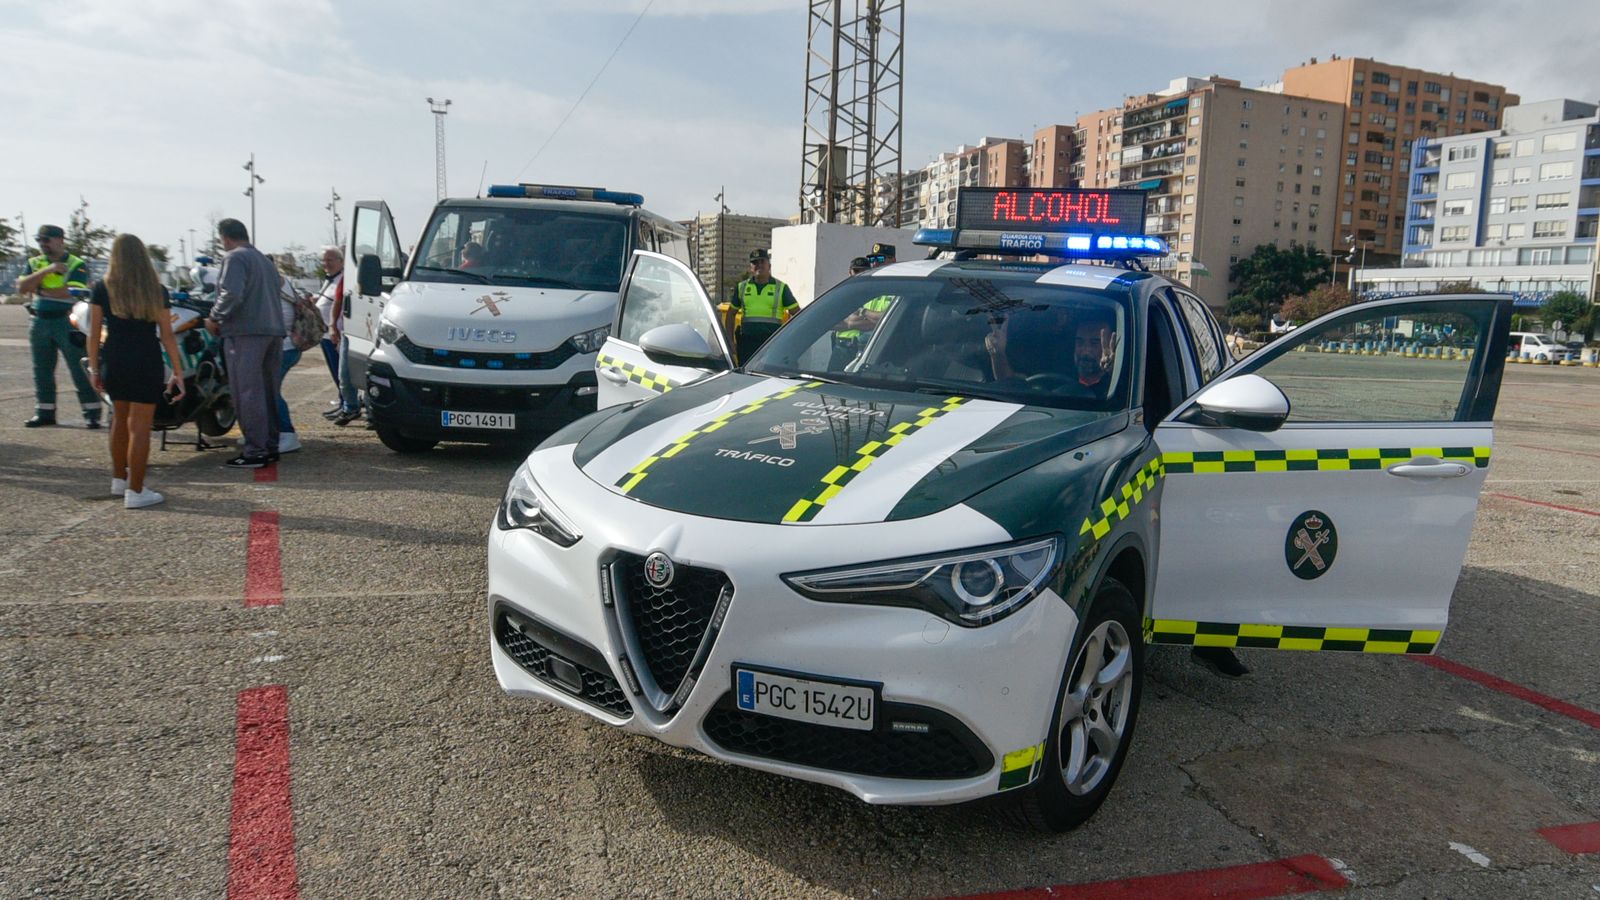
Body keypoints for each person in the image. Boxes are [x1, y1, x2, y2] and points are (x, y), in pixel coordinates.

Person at [85, 234, 186, 508]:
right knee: (140, 427)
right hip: (145, 359)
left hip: (114, 358)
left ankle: (119, 479)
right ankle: (136, 490)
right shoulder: (156, 290)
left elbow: (93, 333)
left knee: (119, 419)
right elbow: (167, 335)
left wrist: (94, 368)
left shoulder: (102, 288)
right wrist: (178, 371)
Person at [205, 218, 286, 468]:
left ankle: (255, 450)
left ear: (225, 237)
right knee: (268, 392)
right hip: (273, 331)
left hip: (245, 333)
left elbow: (232, 293)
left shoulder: (235, 258)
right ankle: (270, 445)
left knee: (247, 392)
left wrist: (214, 317)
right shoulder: (265, 261)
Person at [17, 224, 102, 428]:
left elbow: (70, 291)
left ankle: (91, 412)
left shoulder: (76, 263)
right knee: (41, 369)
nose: (43, 244)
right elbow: (22, 287)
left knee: (79, 367)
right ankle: (44, 412)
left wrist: (39, 290)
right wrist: (48, 270)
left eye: (47, 240)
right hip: (39, 321)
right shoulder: (35, 262)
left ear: (60, 240)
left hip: (66, 321)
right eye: (40, 240)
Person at [726, 248, 798, 361]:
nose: (759, 265)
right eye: (755, 262)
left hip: (771, 343)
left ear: (769, 265)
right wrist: (730, 341)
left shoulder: (781, 288)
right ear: (750, 267)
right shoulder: (742, 287)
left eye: (762, 262)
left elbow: (797, 314)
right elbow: (730, 314)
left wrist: (789, 339)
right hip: (747, 344)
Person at [272, 278, 304, 453]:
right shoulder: (283, 284)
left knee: (270, 391)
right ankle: (271, 432)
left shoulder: (271, 285)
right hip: (288, 347)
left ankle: (287, 433)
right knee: (268, 391)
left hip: (283, 348)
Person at [313, 246, 345, 404]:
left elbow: (339, 303)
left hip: (335, 333)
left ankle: (346, 401)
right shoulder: (330, 279)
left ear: (341, 261)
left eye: (330, 260)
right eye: (324, 260)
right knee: (334, 370)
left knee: (340, 370)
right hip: (324, 333)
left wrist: (334, 328)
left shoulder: (343, 280)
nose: (326, 264)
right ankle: (342, 399)